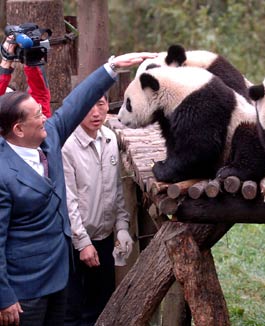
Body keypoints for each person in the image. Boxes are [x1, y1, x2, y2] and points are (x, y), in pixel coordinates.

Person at [0, 51, 157, 326]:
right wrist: (3, 296)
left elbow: (75, 103)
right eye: (38, 114)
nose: (45, 116)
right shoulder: (3, 172)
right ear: (19, 129)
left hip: (59, 277)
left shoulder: (48, 142)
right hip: (23, 291)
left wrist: (111, 67)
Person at [62, 93, 133, 325]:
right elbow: (68, 200)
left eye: (101, 104)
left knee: (102, 303)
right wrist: (82, 242)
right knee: (74, 309)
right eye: (88, 106)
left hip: (104, 237)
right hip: (75, 243)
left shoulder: (110, 138)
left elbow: (117, 188)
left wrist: (122, 227)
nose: (95, 113)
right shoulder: (67, 145)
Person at [1, 35, 51, 117]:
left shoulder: (34, 122)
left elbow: (40, 97)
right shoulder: (39, 124)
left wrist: (6, 60)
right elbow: (41, 96)